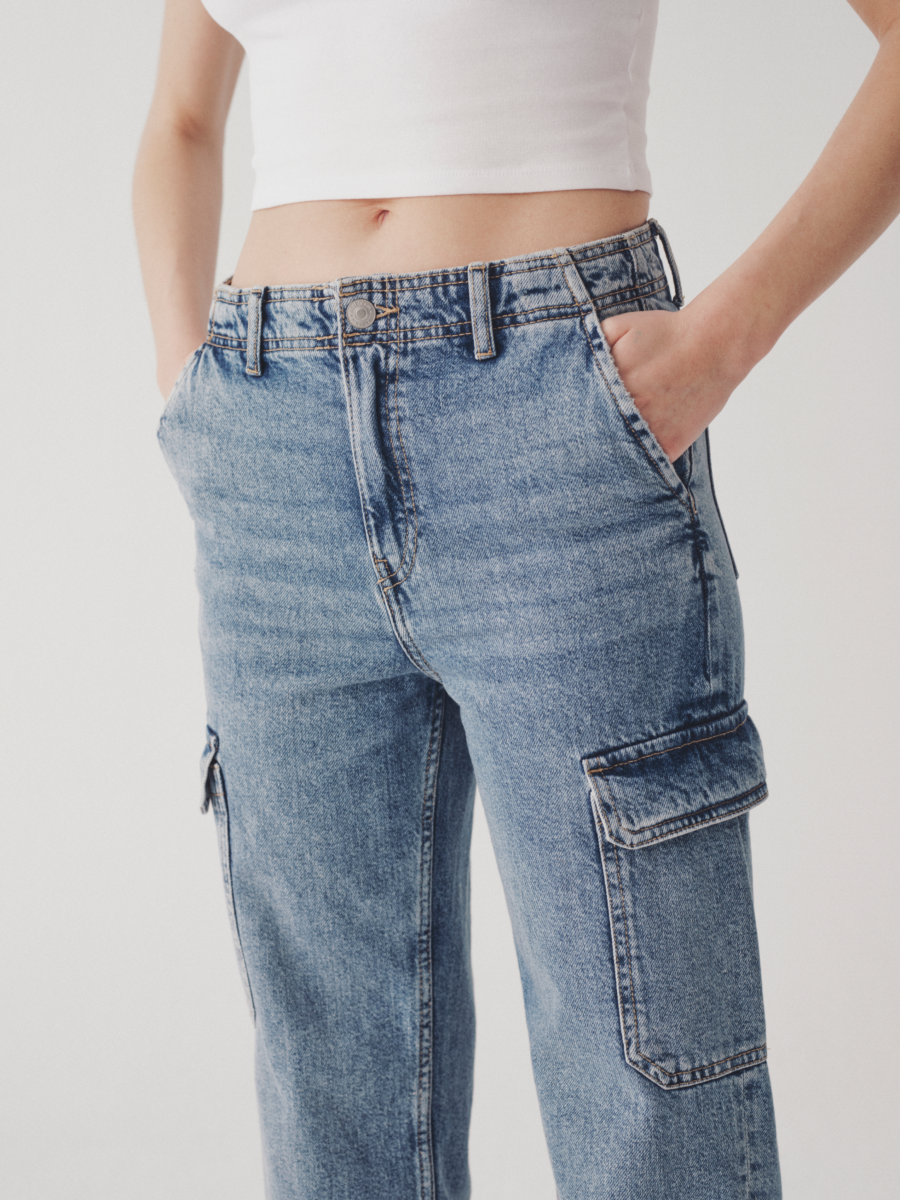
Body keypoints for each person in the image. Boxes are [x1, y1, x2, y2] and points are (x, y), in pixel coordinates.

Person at [133, 2, 900, 1197]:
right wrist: (187, 380)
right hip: (271, 433)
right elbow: (183, 119)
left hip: (554, 409)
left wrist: (724, 340)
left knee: (643, 1073)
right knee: (332, 1089)